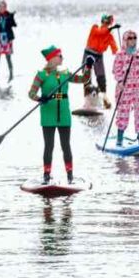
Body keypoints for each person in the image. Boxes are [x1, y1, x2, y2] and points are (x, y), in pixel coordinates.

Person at [28, 46, 89, 184]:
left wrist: (89, 66)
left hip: (64, 115)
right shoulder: (41, 75)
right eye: (60, 56)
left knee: (66, 145)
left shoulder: (65, 73)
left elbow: (84, 79)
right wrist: (40, 98)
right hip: (47, 114)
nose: (62, 58)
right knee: (49, 146)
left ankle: (70, 176)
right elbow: (31, 93)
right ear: (52, 58)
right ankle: (46, 175)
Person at [112, 30, 139, 146]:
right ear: (125, 40)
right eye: (130, 38)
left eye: (134, 37)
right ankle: (119, 139)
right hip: (125, 88)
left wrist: (134, 55)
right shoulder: (119, 54)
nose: (133, 40)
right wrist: (120, 81)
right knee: (123, 112)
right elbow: (116, 70)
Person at [82, 13, 119, 108]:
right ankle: (87, 101)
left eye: (109, 23)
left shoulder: (109, 35)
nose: (107, 25)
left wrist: (118, 53)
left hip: (99, 56)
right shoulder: (95, 28)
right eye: (106, 22)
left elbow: (113, 46)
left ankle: (104, 100)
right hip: (88, 54)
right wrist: (110, 29)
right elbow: (101, 33)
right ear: (103, 21)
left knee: (101, 78)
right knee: (86, 77)